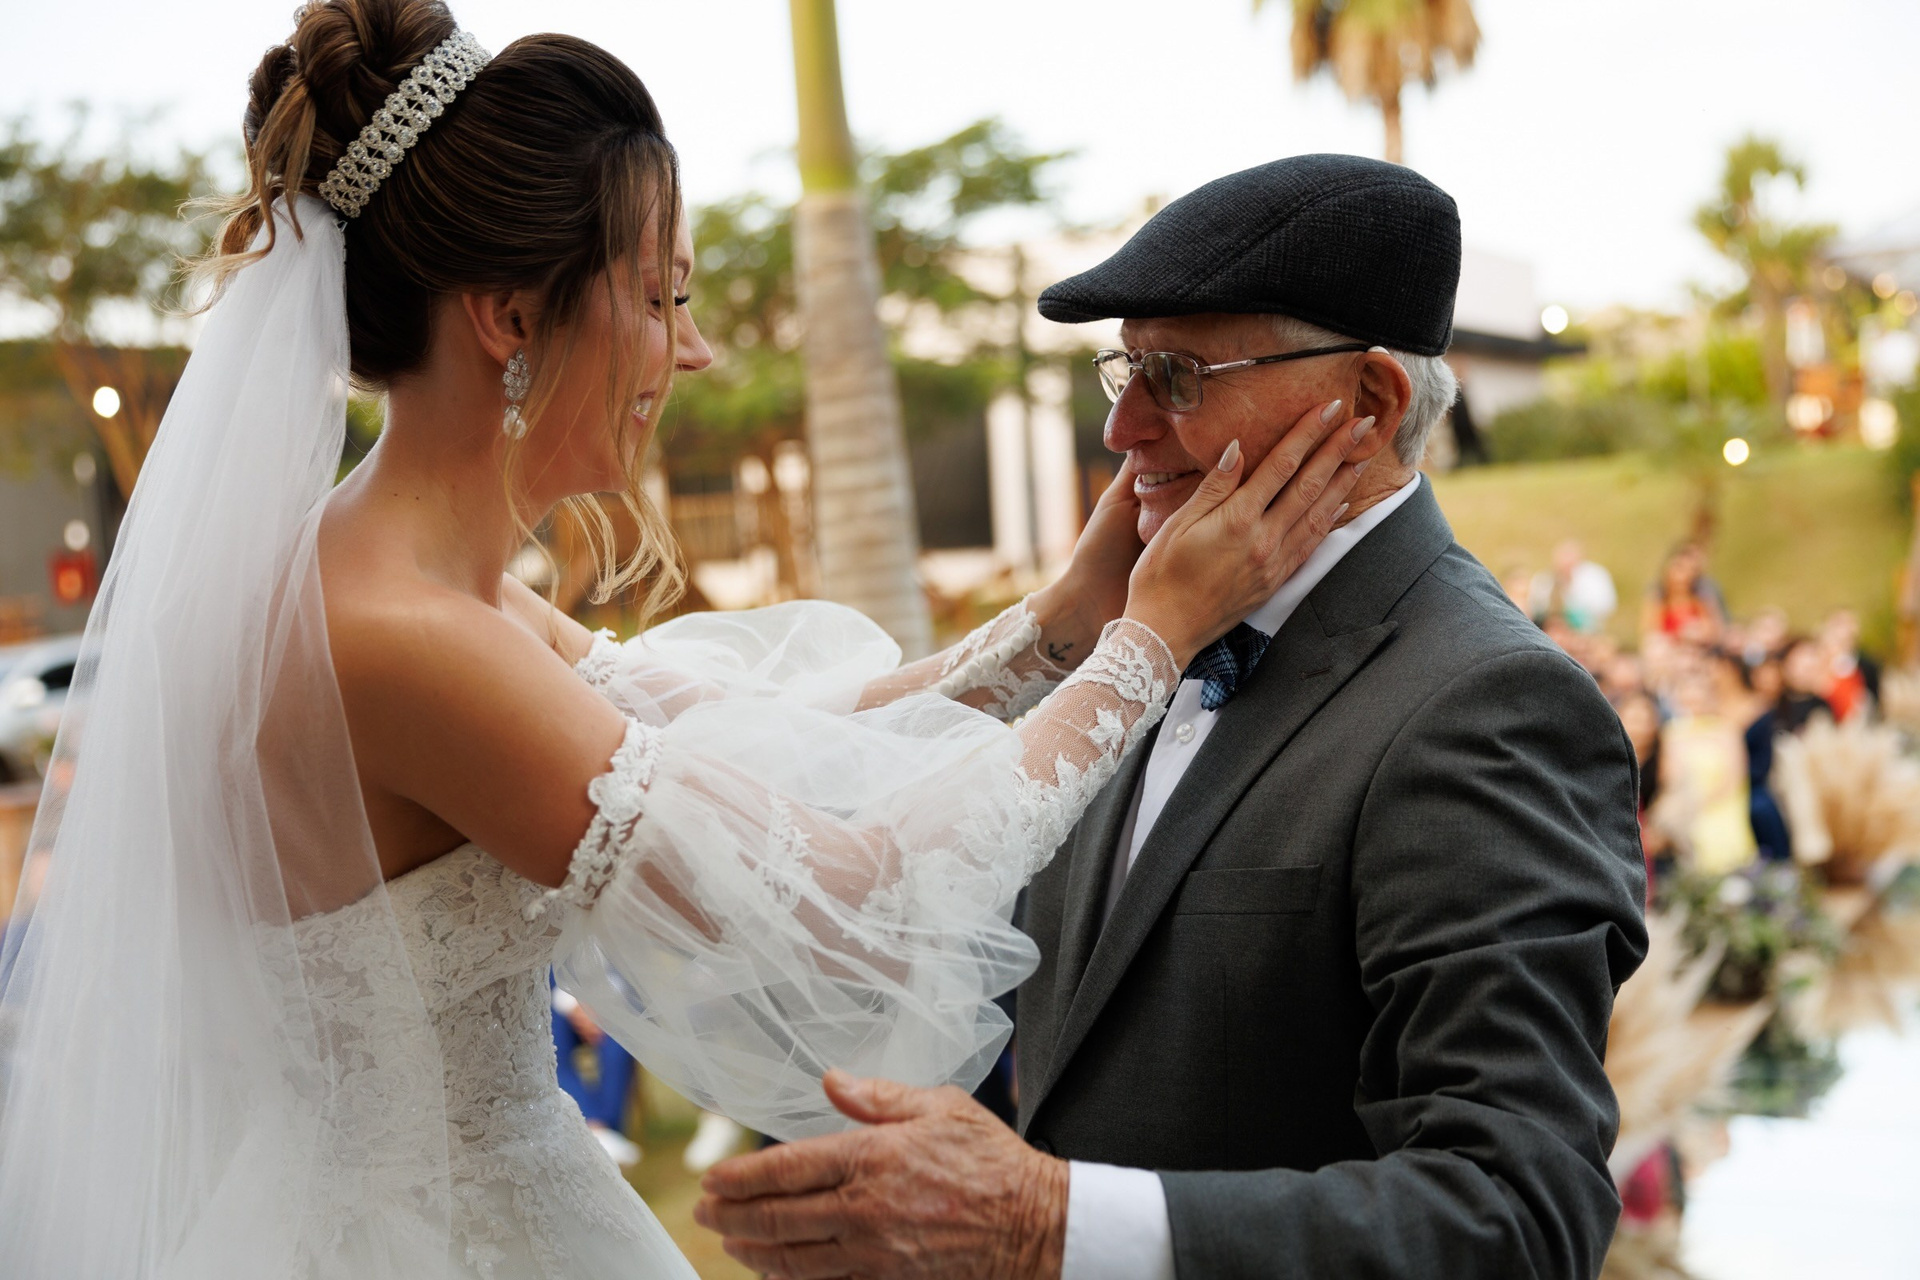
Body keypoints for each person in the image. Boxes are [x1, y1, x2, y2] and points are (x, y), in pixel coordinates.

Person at [0, 5, 1371, 1276]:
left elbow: (766, 751)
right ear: (509, 316)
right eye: (660, 298)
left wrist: (1065, 619)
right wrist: (1153, 642)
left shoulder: (416, 589)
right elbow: (839, 898)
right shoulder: (402, 635)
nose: (694, 350)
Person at [697, 155, 1648, 1280]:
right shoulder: (1144, 632)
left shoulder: (1488, 704)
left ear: (1371, 402)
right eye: (1124, 368)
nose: (1122, 426)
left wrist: (1046, 1221)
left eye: (1178, 376)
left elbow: (1517, 1216)